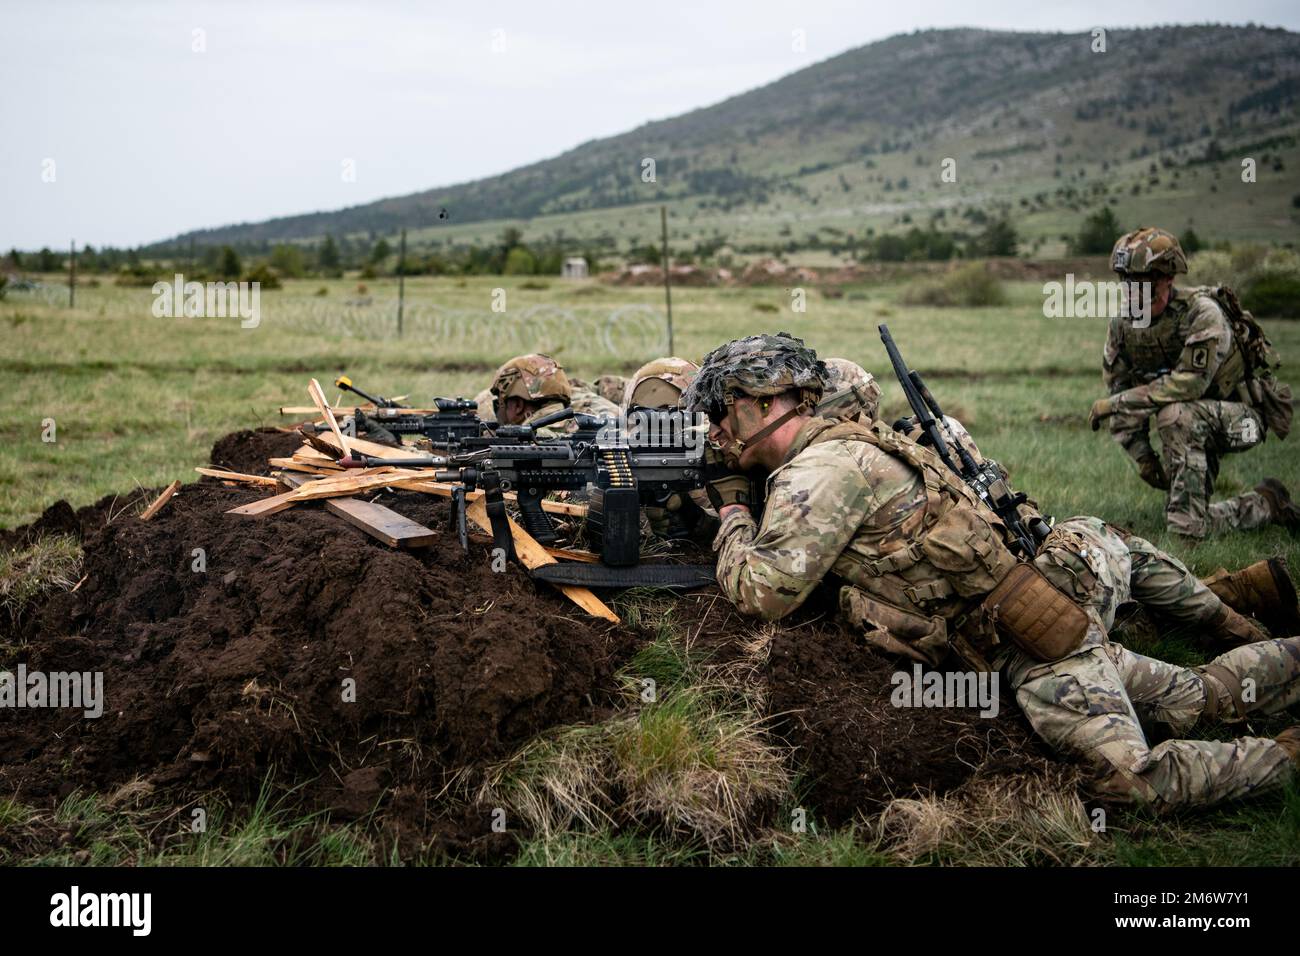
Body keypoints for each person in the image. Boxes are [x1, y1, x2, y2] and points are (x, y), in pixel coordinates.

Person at [685, 331, 1300, 810]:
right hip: (1031, 624)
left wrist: (734, 510)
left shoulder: (820, 472)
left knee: (1125, 784)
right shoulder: (849, 443)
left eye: (722, 409)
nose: (715, 427)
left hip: (1036, 651)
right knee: (1203, 697)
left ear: (766, 401)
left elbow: (762, 594)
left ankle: (1283, 760)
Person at [1089, 226, 1296, 541]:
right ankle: (1266, 504)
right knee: (1189, 512)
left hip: (1244, 420)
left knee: (1175, 415)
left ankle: (1186, 539)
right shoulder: (1122, 325)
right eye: (1127, 283)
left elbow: (1189, 386)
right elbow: (1119, 388)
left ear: (1168, 280)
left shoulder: (1202, 313)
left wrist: (1115, 405)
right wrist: (1144, 457)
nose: (1134, 293)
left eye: (1144, 284)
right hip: (1194, 420)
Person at [475, 353, 618, 437]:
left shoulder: (533, 439)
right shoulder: (593, 421)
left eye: (500, 405)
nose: (498, 411)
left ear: (518, 405)